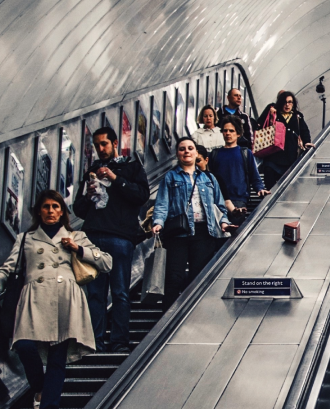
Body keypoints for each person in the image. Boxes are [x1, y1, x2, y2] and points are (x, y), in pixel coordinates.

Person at [0, 191, 112, 409]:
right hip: (34, 298)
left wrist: (78, 249)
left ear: (62, 211)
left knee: (57, 359)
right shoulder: (26, 238)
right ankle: (39, 388)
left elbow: (106, 262)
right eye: (46, 207)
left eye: (55, 207)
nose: (50, 211)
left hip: (65, 300)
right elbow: (9, 268)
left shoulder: (76, 235)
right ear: (39, 211)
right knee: (25, 346)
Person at [73, 125, 151, 353]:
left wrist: (116, 178)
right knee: (96, 294)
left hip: (121, 238)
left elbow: (142, 196)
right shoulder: (92, 171)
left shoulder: (131, 167)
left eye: (104, 144)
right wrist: (87, 195)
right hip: (93, 237)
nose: (100, 149)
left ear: (115, 144)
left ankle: (119, 341)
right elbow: (78, 209)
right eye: (97, 145)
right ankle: (95, 342)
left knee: (120, 292)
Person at [151, 137, 231, 310]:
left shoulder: (209, 178)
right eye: (182, 149)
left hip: (204, 233)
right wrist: (158, 222)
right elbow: (162, 204)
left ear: (196, 153)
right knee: (174, 277)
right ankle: (167, 317)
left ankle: (195, 314)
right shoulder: (170, 178)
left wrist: (223, 223)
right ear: (177, 154)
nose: (186, 151)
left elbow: (219, 206)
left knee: (199, 276)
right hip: (178, 234)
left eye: (190, 148)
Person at [207, 116, 269, 226]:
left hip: (239, 200)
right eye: (225, 130)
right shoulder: (215, 154)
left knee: (234, 236)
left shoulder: (245, 153)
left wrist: (260, 189)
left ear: (238, 134)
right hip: (218, 200)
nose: (228, 133)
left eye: (231, 131)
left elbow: (254, 176)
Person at [256, 91, 314, 187]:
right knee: (269, 179)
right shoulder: (274, 114)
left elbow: (304, 131)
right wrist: (269, 115)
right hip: (273, 156)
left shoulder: (297, 116)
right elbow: (260, 125)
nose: (287, 105)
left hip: (290, 157)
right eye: (284, 102)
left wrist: (307, 142)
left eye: (290, 102)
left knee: (289, 186)